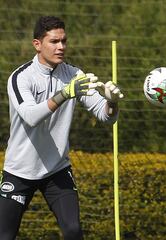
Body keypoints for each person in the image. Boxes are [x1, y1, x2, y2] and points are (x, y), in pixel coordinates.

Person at [0, 16, 123, 240]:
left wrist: (112, 102)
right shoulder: (20, 77)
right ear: (37, 44)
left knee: (73, 231)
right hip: (19, 171)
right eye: (54, 41)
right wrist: (65, 93)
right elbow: (30, 116)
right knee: (5, 235)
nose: (61, 47)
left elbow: (106, 117)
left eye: (64, 41)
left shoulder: (74, 75)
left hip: (56, 170)